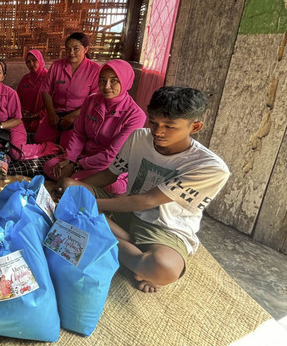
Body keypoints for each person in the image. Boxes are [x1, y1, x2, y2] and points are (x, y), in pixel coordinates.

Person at [55, 87, 230, 293]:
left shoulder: (210, 167)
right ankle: (125, 246)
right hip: (125, 212)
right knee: (68, 186)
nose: (158, 131)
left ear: (195, 126)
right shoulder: (139, 137)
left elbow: (147, 201)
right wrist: (77, 191)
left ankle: (96, 232)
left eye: (169, 126)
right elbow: (109, 175)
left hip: (163, 228)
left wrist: (88, 204)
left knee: (163, 268)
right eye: (153, 122)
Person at [44, 59, 146, 195]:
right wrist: (70, 159)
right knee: (50, 166)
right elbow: (79, 134)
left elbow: (112, 154)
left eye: (114, 80)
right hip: (84, 156)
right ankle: (76, 183)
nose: (107, 86)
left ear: (126, 81)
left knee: (77, 180)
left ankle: (119, 183)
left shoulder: (135, 115)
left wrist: (76, 165)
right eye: (102, 80)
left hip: (108, 167)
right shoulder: (91, 100)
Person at [0, 59, 60, 161]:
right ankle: (1, 145)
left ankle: (49, 147)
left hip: (12, 127)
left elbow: (17, 120)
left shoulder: (11, 94)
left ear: (3, 77)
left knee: (16, 154)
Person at [35, 32, 101, 146]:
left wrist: (73, 116)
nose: (71, 53)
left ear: (85, 49)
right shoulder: (57, 66)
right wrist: (51, 114)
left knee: (67, 146)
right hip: (56, 112)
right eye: (68, 49)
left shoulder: (95, 70)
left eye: (76, 49)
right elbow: (46, 91)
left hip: (79, 115)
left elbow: (95, 100)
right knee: (40, 140)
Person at [16, 49, 48, 133]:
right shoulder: (25, 79)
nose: (31, 64)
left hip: (43, 120)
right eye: (28, 62)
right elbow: (17, 99)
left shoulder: (48, 78)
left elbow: (55, 101)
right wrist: (21, 110)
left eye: (34, 60)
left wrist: (40, 114)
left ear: (40, 60)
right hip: (26, 120)